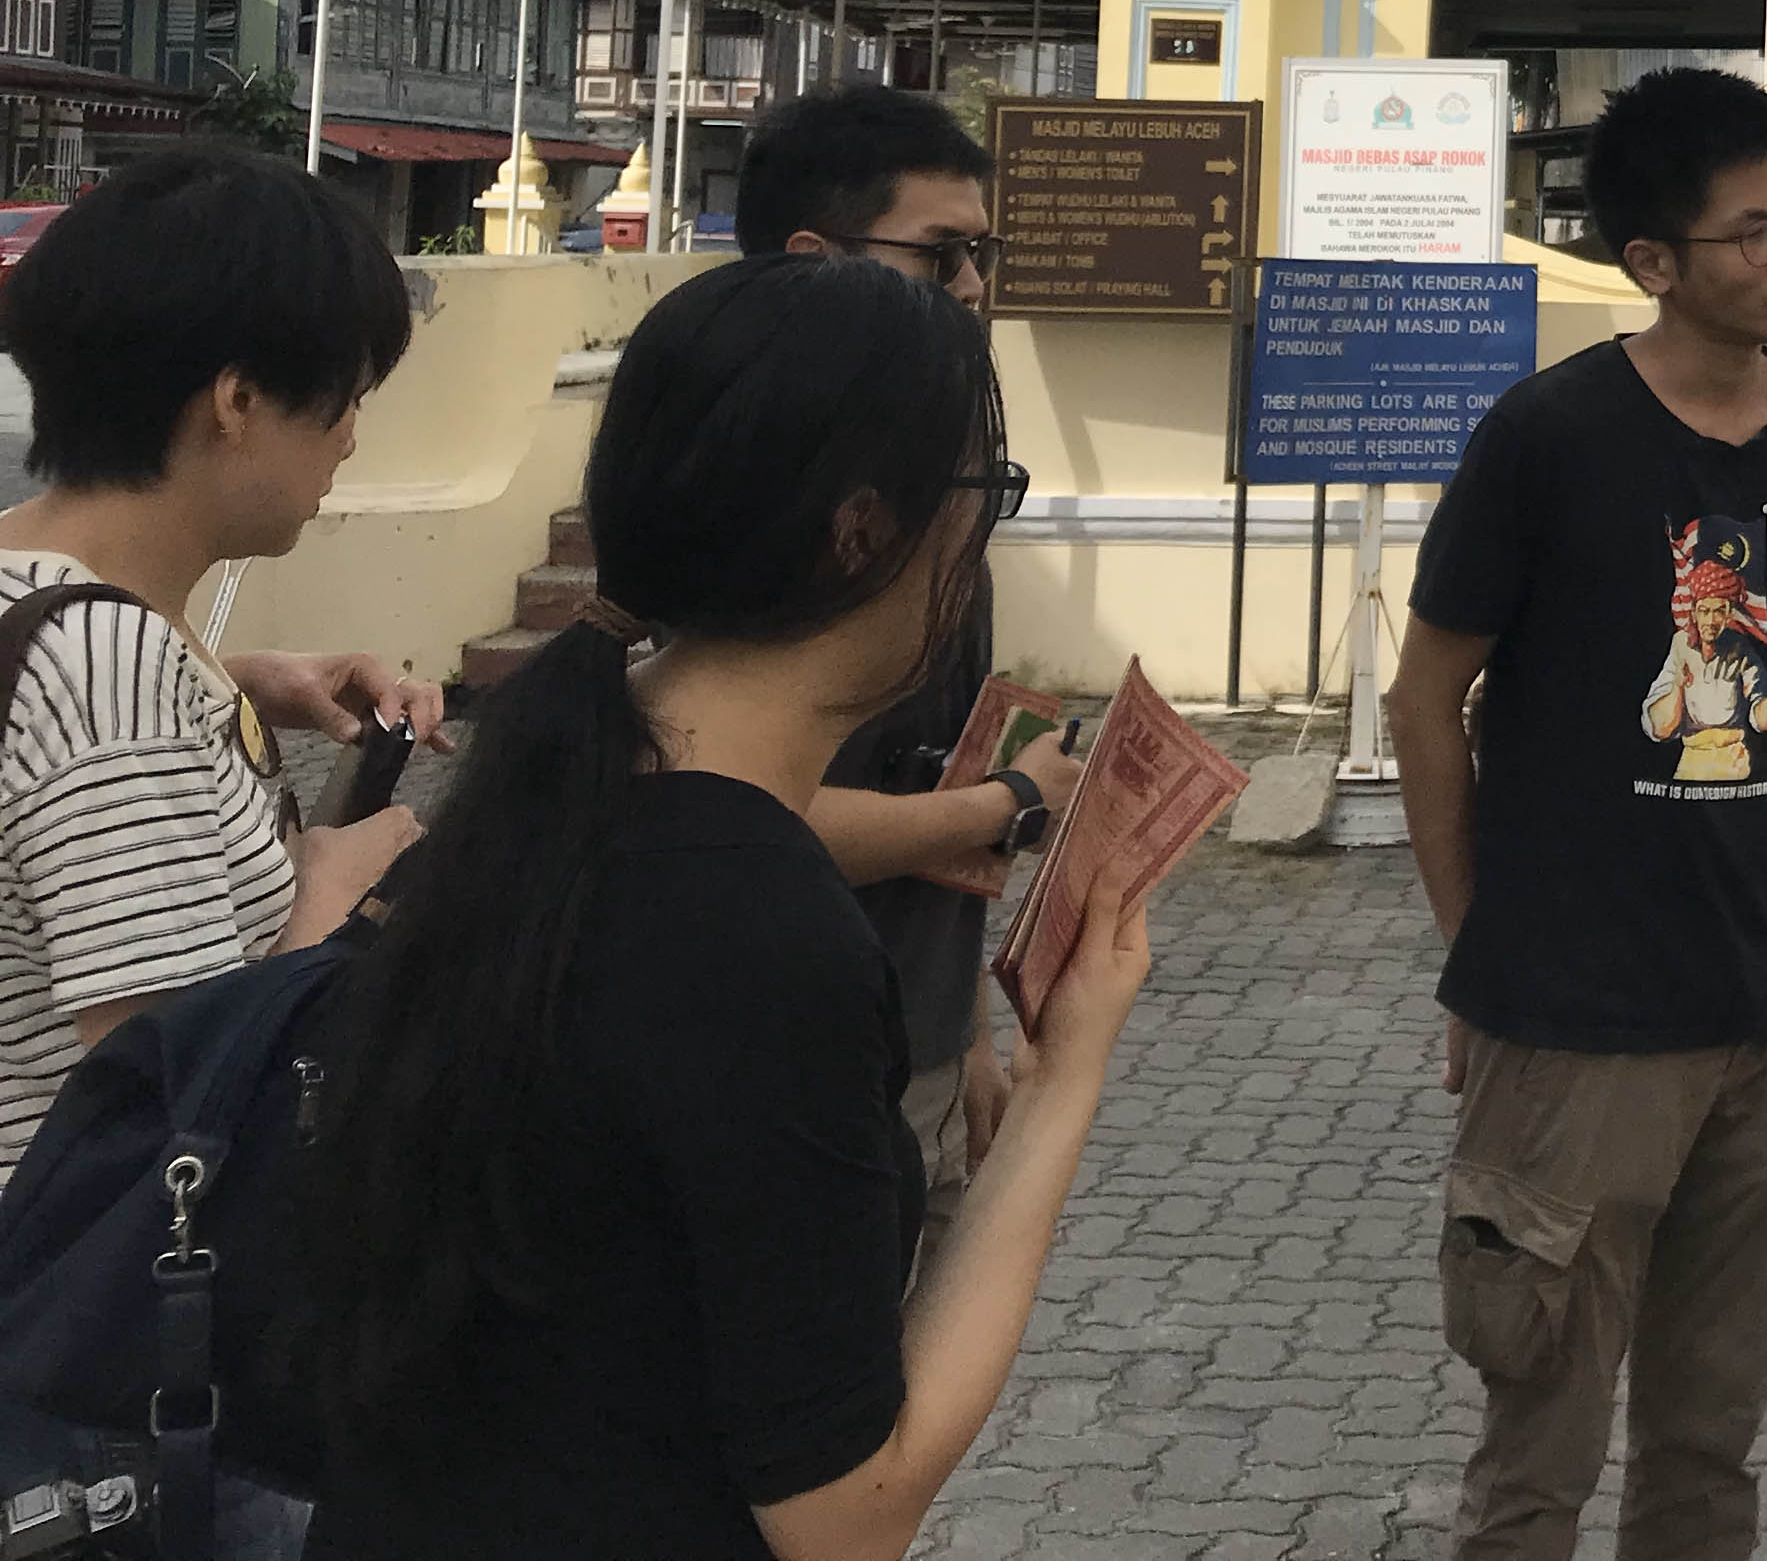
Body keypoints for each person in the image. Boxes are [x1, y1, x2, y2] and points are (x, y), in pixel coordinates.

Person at [297, 256, 1152, 1560]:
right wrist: (1066, 1079)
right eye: (983, 498)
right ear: (863, 531)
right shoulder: (757, 937)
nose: (981, 546)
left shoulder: (533, 804)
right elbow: (845, 1516)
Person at [1387, 65, 1767, 1561]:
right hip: (1575, 1026)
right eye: (1753, 233)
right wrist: (1479, 954)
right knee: (1537, 1456)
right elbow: (1429, 702)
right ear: (1653, 263)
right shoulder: (1549, 438)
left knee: (1710, 1446)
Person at [0, 146, 441, 1182]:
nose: (348, 443)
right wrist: (333, 894)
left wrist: (229, 687)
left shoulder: (41, 594)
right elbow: (178, 1106)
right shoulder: (108, 673)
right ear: (236, 402)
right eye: (341, 401)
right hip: (70, 1304)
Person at [737, 85, 1080, 1265]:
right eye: (941, 256)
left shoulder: (937, 489)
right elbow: (744, 816)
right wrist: (1015, 805)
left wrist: (968, 1030)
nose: (974, 289)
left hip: (921, 1051)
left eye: (982, 254)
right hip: (792, 1063)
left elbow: (929, 768)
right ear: (813, 259)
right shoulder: (749, 513)